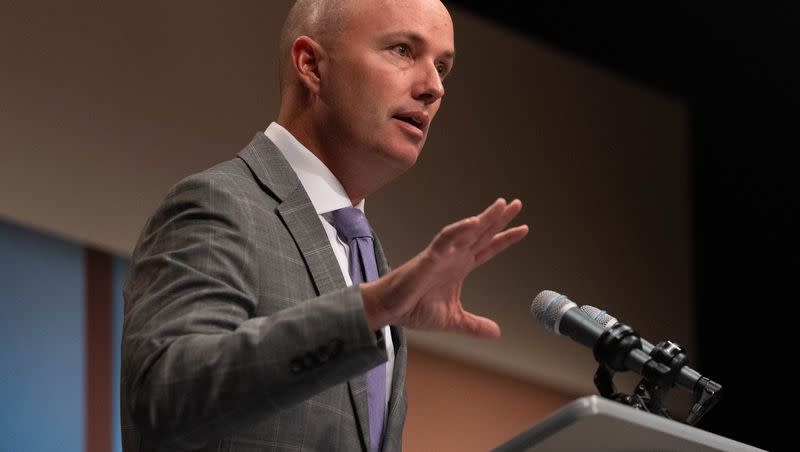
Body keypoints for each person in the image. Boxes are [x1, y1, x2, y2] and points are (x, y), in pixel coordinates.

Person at [120, 0, 528, 450]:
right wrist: (370, 308)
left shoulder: (365, 253)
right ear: (311, 65)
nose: (434, 87)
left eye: (443, 67)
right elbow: (165, 395)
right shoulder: (220, 204)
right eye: (402, 50)